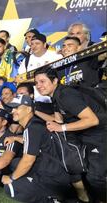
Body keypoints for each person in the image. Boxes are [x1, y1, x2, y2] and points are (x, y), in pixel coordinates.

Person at [34, 67, 106, 202]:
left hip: (100, 133)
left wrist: (62, 128)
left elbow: (92, 120)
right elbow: (58, 120)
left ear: (55, 80)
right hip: (86, 135)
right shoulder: (55, 96)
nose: (38, 86)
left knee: (95, 177)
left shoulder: (66, 95)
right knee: (74, 166)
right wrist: (34, 111)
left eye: (42, 81)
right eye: (36, 83)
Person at [2, 95, 71, 202]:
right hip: (59, 170)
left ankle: (52, 199)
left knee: (11, 188)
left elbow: (28, 161)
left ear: (29, 109)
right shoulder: (35, 123)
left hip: (54, 178)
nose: (13, 111)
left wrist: (11, 178)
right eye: (12, 108)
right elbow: (31, 141)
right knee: (15, 163)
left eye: (17, 107)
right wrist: (15, 137)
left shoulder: (32, 129)